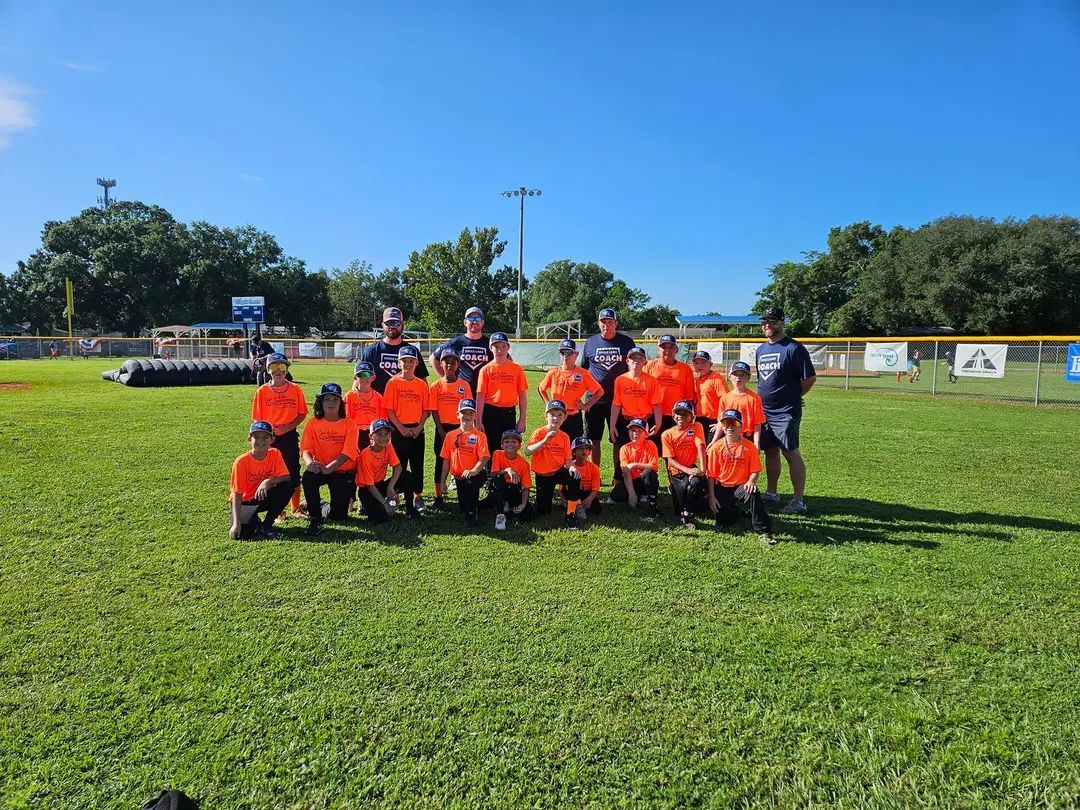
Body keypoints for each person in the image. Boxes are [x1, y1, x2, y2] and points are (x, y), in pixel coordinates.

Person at [754, 306, 816, 515]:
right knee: (770, 451)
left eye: (772, 321)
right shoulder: (761, 349)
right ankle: (772, 493)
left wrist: (794, 397)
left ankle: (798, 501)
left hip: (785, 411)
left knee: (790, 452)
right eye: (764, 322)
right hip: (764, 411)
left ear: (782, 322)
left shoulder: (793, 348)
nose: (768, 325)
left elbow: (809, 379)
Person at [707, 409, 776, 545]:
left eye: (735, 424)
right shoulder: (716, 447)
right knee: (724, 522)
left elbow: (755, 470)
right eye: (726, 423)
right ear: (722, 426)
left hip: (741, 486)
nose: (730, 427)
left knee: (753, 492)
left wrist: (751, 481)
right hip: (722, 486)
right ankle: (738, 512)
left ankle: (764, 531)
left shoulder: (749, 447)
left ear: (741, 426)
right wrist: (712, 496)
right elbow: (711, 475)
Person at [251, 352, 307, 518]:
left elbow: (302, 413)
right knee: (271, 473)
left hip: (288, 436)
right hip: (269, 438)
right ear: (268, 370)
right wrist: (266, 435)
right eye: (274, 367)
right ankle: (277, 511)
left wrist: (287, 427)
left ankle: (296, 508)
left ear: (287, 369)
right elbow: (257, 418)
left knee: (292, 471)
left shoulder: (296, 390)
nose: (278, 370)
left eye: (282, 366)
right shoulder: (262, 392)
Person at [300, 383, 360, 535]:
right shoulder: (313, 423)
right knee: (308, 477)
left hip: (341, 471)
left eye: (335, 399)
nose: (331, 403)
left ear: (341, 403)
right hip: (321, 468)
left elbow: (347, 453)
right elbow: (306, 449)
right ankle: (315, 518)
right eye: (326, 399)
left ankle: (319, 505)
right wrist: (310, 463)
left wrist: (329, 469)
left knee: (338, 516)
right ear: (320, 402)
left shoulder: (350, 424)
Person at [580, 308, 636, 471]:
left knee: (618, 439)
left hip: (619, 400)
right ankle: (594, 472)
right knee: (592, 438)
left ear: (616, 324)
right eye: (603, 322)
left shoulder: (626, 342)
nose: (606, 325)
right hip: (594, 400)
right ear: (599, 324)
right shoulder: (590, 342)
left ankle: (617, 476)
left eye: (610, 322)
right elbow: (583, 370)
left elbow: (635, 368)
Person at [609, 345, 663, 500]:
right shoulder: (620, 380)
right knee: (622, 452)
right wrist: (612, 424)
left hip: (645, 420)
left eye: (640, 358)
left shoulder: (651, 381)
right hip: (626, 420)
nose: (636, 361)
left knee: (644, 452)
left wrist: (658, 423)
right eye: (633, 358)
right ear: (627, 361)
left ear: (645, 362)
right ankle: (620, 482)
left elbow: (656, 404)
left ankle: (645, 487)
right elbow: (616, 404)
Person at [383, 345, 431, 514]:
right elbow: (389, 409)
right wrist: (401, 428)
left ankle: (417, 495)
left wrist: (419, 427)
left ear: (417, 362)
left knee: (417, 464)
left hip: (417, 429)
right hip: (399, 430)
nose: (408, 364)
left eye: (411, 361)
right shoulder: (393, 383)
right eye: (404, 361)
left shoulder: (421, 384)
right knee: (399, 465)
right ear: (399, 362)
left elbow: (427, 409)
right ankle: (397, 495)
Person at [228, 420, 293, 540]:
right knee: (243, 535)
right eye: (256, 437)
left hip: (262, 497)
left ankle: (266, 525)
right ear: (249, 439)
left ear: (272, 440)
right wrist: (236, 524)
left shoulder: (275, 453)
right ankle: (252, 520)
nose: (260, 441)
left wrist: (268, 481)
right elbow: (237, 494)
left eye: (265, 437)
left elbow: (286, 477)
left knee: (287, 486)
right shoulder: (241, 462)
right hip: (245, 502)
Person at [524, 400, 584, 526]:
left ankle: (571, 512)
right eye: (552, 414)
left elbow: (567, 459)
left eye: (560, 415)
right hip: (543, 476)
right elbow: (527, 451)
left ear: (565, 417)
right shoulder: (539, 433)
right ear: (546, 416)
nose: (556, 418)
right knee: (544, 512)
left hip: (557, 471)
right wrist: (544, 441)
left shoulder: (564, 436)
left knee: (574, 477)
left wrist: (572, 467)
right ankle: (542, 501)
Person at [429, 349, 472, 510]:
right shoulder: (436, 386)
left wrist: (465, 429)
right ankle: (439, 494)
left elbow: (468, 410)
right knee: (440, 461)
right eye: (446, 361)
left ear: (457, 365)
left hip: (459, 428)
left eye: (453, 362)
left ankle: (463, 492)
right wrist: (440, 429)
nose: (449, 365)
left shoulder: (464, 385)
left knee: (461, 460)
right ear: (441, 364)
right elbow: (434, 410)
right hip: (442, 428)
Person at [355, 419, 419, 524]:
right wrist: (385, 503)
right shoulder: (365, 456)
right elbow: (370, 486)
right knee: (379, 518)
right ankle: (367, 505)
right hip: (366, 489)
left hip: (380, 484)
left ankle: (410, 509)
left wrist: (390, 487)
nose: (384, 438)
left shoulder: (388, 447)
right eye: (379, 434)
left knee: (406, 476)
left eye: (386, 434)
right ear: (371, 437)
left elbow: (398, 467)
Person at [538, 338, 603, 439]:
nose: (565, 356)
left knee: (574, 448)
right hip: (557, 416)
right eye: (562, 352)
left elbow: (599, 391)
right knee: (555, 446)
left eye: (569, 352)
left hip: (573, 416)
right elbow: (541, 388)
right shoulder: (553, 372)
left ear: (576, 354)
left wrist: (587, 405)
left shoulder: (583, 374)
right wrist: (549, 405)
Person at [439, 399, 490, 528]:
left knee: (470, 487)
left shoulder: (480, 436)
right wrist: (442, 481)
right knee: (464, 504)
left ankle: (471, 516)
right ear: (457, 414)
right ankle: (481, 505)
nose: (467, 416)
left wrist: (473, 471)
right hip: (459, 477)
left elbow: (484, 458)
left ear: (475, 415)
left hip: (476, 474)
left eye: (470, 413)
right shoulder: (450, 435)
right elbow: (446, 459)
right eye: (464, 413)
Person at [475, 331, 529, 454]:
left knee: (509, 447)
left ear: (508, 347)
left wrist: (522, 419)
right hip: (491, 412)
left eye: (503, 346)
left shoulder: (516, 369)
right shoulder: (486, 369)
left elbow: (522, 395)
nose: (500, 350)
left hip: (509, 413)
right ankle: (492, 473)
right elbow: (480, 396)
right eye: (496, 347)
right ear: (490, 348)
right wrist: (478, 420)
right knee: (492, 447)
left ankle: (506, 472)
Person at [644, 334, 697, 452]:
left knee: (674, 451)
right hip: (653, 414)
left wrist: (688, 417)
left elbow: (689, 397)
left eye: (671, 347)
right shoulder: (649, 365)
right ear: (658, 350)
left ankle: (675, 471)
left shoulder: (685, 369)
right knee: (652, 449)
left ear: (676, 349)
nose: (667, 350)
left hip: (676, 415)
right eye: (664, 347)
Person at [360, 306, 430, 394]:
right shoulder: (371, 352)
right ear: (382, 325)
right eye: (389, 322)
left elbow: (423, 383)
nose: (392, 326)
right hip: (378, 405)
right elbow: (359, 381)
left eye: (396, 322)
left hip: (404, 405)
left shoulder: (413, 352)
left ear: (402, 325)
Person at [661, 401, 709, 530]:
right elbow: (670, 460)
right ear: (673, 415)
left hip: (691, 467)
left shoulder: (696, 426)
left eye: (685, 413)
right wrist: (688, 471)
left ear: (692, 417)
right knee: (678, 508)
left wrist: (703, 470)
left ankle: (689, 511)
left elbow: (700, 446)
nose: (681, 416)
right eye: (678, 412)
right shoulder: (666, 434)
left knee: (697, 483)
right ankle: (691, 503)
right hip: (677, 472)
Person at [431, 306, 492, 389]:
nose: (474, 321)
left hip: (485, 392)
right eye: (470, 318)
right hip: (461, 392)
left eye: (478, 318)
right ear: (465, 322)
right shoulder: (456, 342)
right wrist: (445, 378)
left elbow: (507, 360)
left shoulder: (490, 343)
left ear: (482, 322)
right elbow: (433, 358)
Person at [488, 429, 533, 528]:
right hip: (498, 488)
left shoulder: (524, 464)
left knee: (528, 515)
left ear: (519, 445)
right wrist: (508, 470)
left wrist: (523, 504)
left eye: (514, 441)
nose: (510, 444)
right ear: (502, 445)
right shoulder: (497, 454)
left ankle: (507, 509)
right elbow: (493, 474)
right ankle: (500, 514)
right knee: (498, 477)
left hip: (514, 489)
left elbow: (526, 487)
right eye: (507, 442)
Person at [615, 418, 660, 517]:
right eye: (633, 431)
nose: (635, 433)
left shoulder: (650, 445)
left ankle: (652, 502)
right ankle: (638, 497)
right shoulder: (624, 448)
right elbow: (626, 472)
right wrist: (631, 493)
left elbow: (654, 466)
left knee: (649, 473)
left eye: (639, 431)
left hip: (645, 479)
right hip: (632, 480)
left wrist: (635, 465)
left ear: (646, 434)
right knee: (616, 495)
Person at [717, 361, 765, 447]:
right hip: (730, 436)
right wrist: (714, 440)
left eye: (742, 375)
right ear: (730, 376)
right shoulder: (725, 398)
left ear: (748, 378)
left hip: (747, 436)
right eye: (735, 374)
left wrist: (756, 443)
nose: (738, 378)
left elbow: (757, 423)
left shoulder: (754, 398)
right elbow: (721, 422)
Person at [343, 361, 384, 453]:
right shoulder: (349, 396)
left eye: (368, 374)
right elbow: (346, 420)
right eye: (361, 375)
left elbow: (382, 420)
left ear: (373, 377)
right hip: (355, 433)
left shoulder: (378, 397)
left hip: (373, 433)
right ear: (355, 378)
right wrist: (351, 440)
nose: (365, 378)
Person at [691, 350, 729, 440]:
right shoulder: (697, 381)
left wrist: (721, 422)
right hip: (700, 420)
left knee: (711, 450)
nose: (699, 365)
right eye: (696, 363)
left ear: (710, 364)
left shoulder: (717, 378)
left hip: (714, 420)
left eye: (703, 362)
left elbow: (726, 402)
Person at [568, 437, 603, 523]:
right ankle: (574, 508)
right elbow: (562, 489)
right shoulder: (570, 467)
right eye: (581, 448)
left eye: (587, 449)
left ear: (590, 452)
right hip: (573, 493)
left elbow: (595, 488)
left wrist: (590, 498)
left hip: (586, 493)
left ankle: (581, 506)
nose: (584, 451)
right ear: (574, 451)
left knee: (597, 508)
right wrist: (563, 499)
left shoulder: (594, 468)